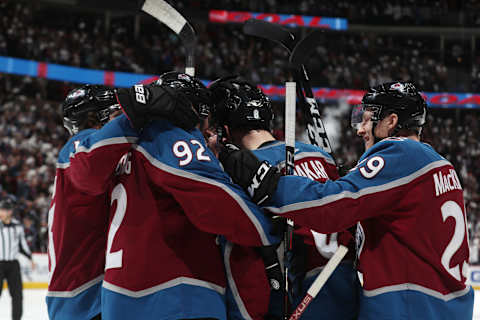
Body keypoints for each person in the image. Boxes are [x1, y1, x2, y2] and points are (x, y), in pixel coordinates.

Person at [218, 81, 473, 320]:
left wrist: (268, 184)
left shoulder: (399, 151)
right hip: (446, 306)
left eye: (365, 120)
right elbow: (404, 232)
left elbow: (332, 208)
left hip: (406, 306)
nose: (361, 130)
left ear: (391, 121)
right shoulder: (440, 165)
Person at [66, 72, 279, 320]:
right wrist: (268, 223)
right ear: (191, 111)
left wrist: (131, 116)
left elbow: (83, 174)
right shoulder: (169, 137)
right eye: (207, 119)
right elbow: (218, 206)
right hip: (176, 298)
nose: (209, 130)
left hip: (118, 300)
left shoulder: (123, 146)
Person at [208, 76, 359, 320]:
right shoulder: (321, 155)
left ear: (224, 131)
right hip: (348, 288)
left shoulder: (238, 172)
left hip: (297, 298)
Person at [46, 84, 136, 320]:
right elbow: (90, 175)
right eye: (114, 114)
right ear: (93, 117)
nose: (118, 118)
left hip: (79, 293)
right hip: (84, 295)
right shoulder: (82, 144)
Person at [0, 196, 35, 320]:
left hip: (13, 265)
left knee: (17, 295)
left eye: (4, 210)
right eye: (1, 210)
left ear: (10, 212)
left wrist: (30, 258)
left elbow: (22, 245)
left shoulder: (17, 227)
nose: (1, 212)